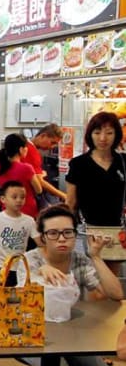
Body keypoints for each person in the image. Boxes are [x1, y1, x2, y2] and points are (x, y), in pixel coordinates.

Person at [15, 204, 123, 366]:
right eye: (53, 233)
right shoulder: (29, 259)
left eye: (68, 232)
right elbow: (22, 297)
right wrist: (40, 270)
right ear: (42, 237)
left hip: (71, 336)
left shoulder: (79, 260)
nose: (61, 239)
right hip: (32, 335)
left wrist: (95, 256)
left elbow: (116, 293)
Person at [66, 111, 126, 273]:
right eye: (97, 132)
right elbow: (70, 202)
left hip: (116, 230)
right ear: (90, 134)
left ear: (116, 135)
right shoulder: (78, 164)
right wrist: (66, 231)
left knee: (113, 281)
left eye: (109, 133)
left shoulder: (123, 162)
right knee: (91, 282)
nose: (103, 138)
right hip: (87, 230)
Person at [0, 181, 39, 286]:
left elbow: (40, 242)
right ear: (3, 199)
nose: (19, 200)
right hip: (1, 265)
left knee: (19, 295)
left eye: (22, 197)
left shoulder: (29, 221)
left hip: (20, 266)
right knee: (4, 296)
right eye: (14, 197)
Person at [0, 132, 41, 220]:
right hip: (27, 211)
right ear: (21, 149)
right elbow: (38, 190)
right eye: (26, 147)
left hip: (7, 210)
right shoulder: (27, 168)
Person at [22, 123, 65, 205]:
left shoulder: (27, 147)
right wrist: (62, 195)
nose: (53, 147)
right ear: (43, 136)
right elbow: (39, 181)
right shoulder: (30, 151)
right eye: (52, 142)